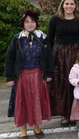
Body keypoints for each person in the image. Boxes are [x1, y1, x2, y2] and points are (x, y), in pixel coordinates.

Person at [5, 10, 53, 138]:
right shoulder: (17, 38)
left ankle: (37, 127)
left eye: (32, 21)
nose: (30, 24)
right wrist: (9, 76)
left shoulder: (43, 38)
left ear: (36, 23)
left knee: (36, 102)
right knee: (23, 103)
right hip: (22, 76)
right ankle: (23, 130)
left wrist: (49, 73)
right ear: (23, 23)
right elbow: (9, 58)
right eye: (27, 21)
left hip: (38, 75)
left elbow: (48, 57)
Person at [48, 0, 79, 127]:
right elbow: (49, 39)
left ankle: (76, 112)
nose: (69, 6)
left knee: (77, 83)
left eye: (72, 4)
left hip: (77, 55)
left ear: (75, 5)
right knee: (62, 84)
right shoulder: (55, 19)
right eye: (67, 3)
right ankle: (64, 114)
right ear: (62, 5)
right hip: (60, 56)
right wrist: (50, 57)